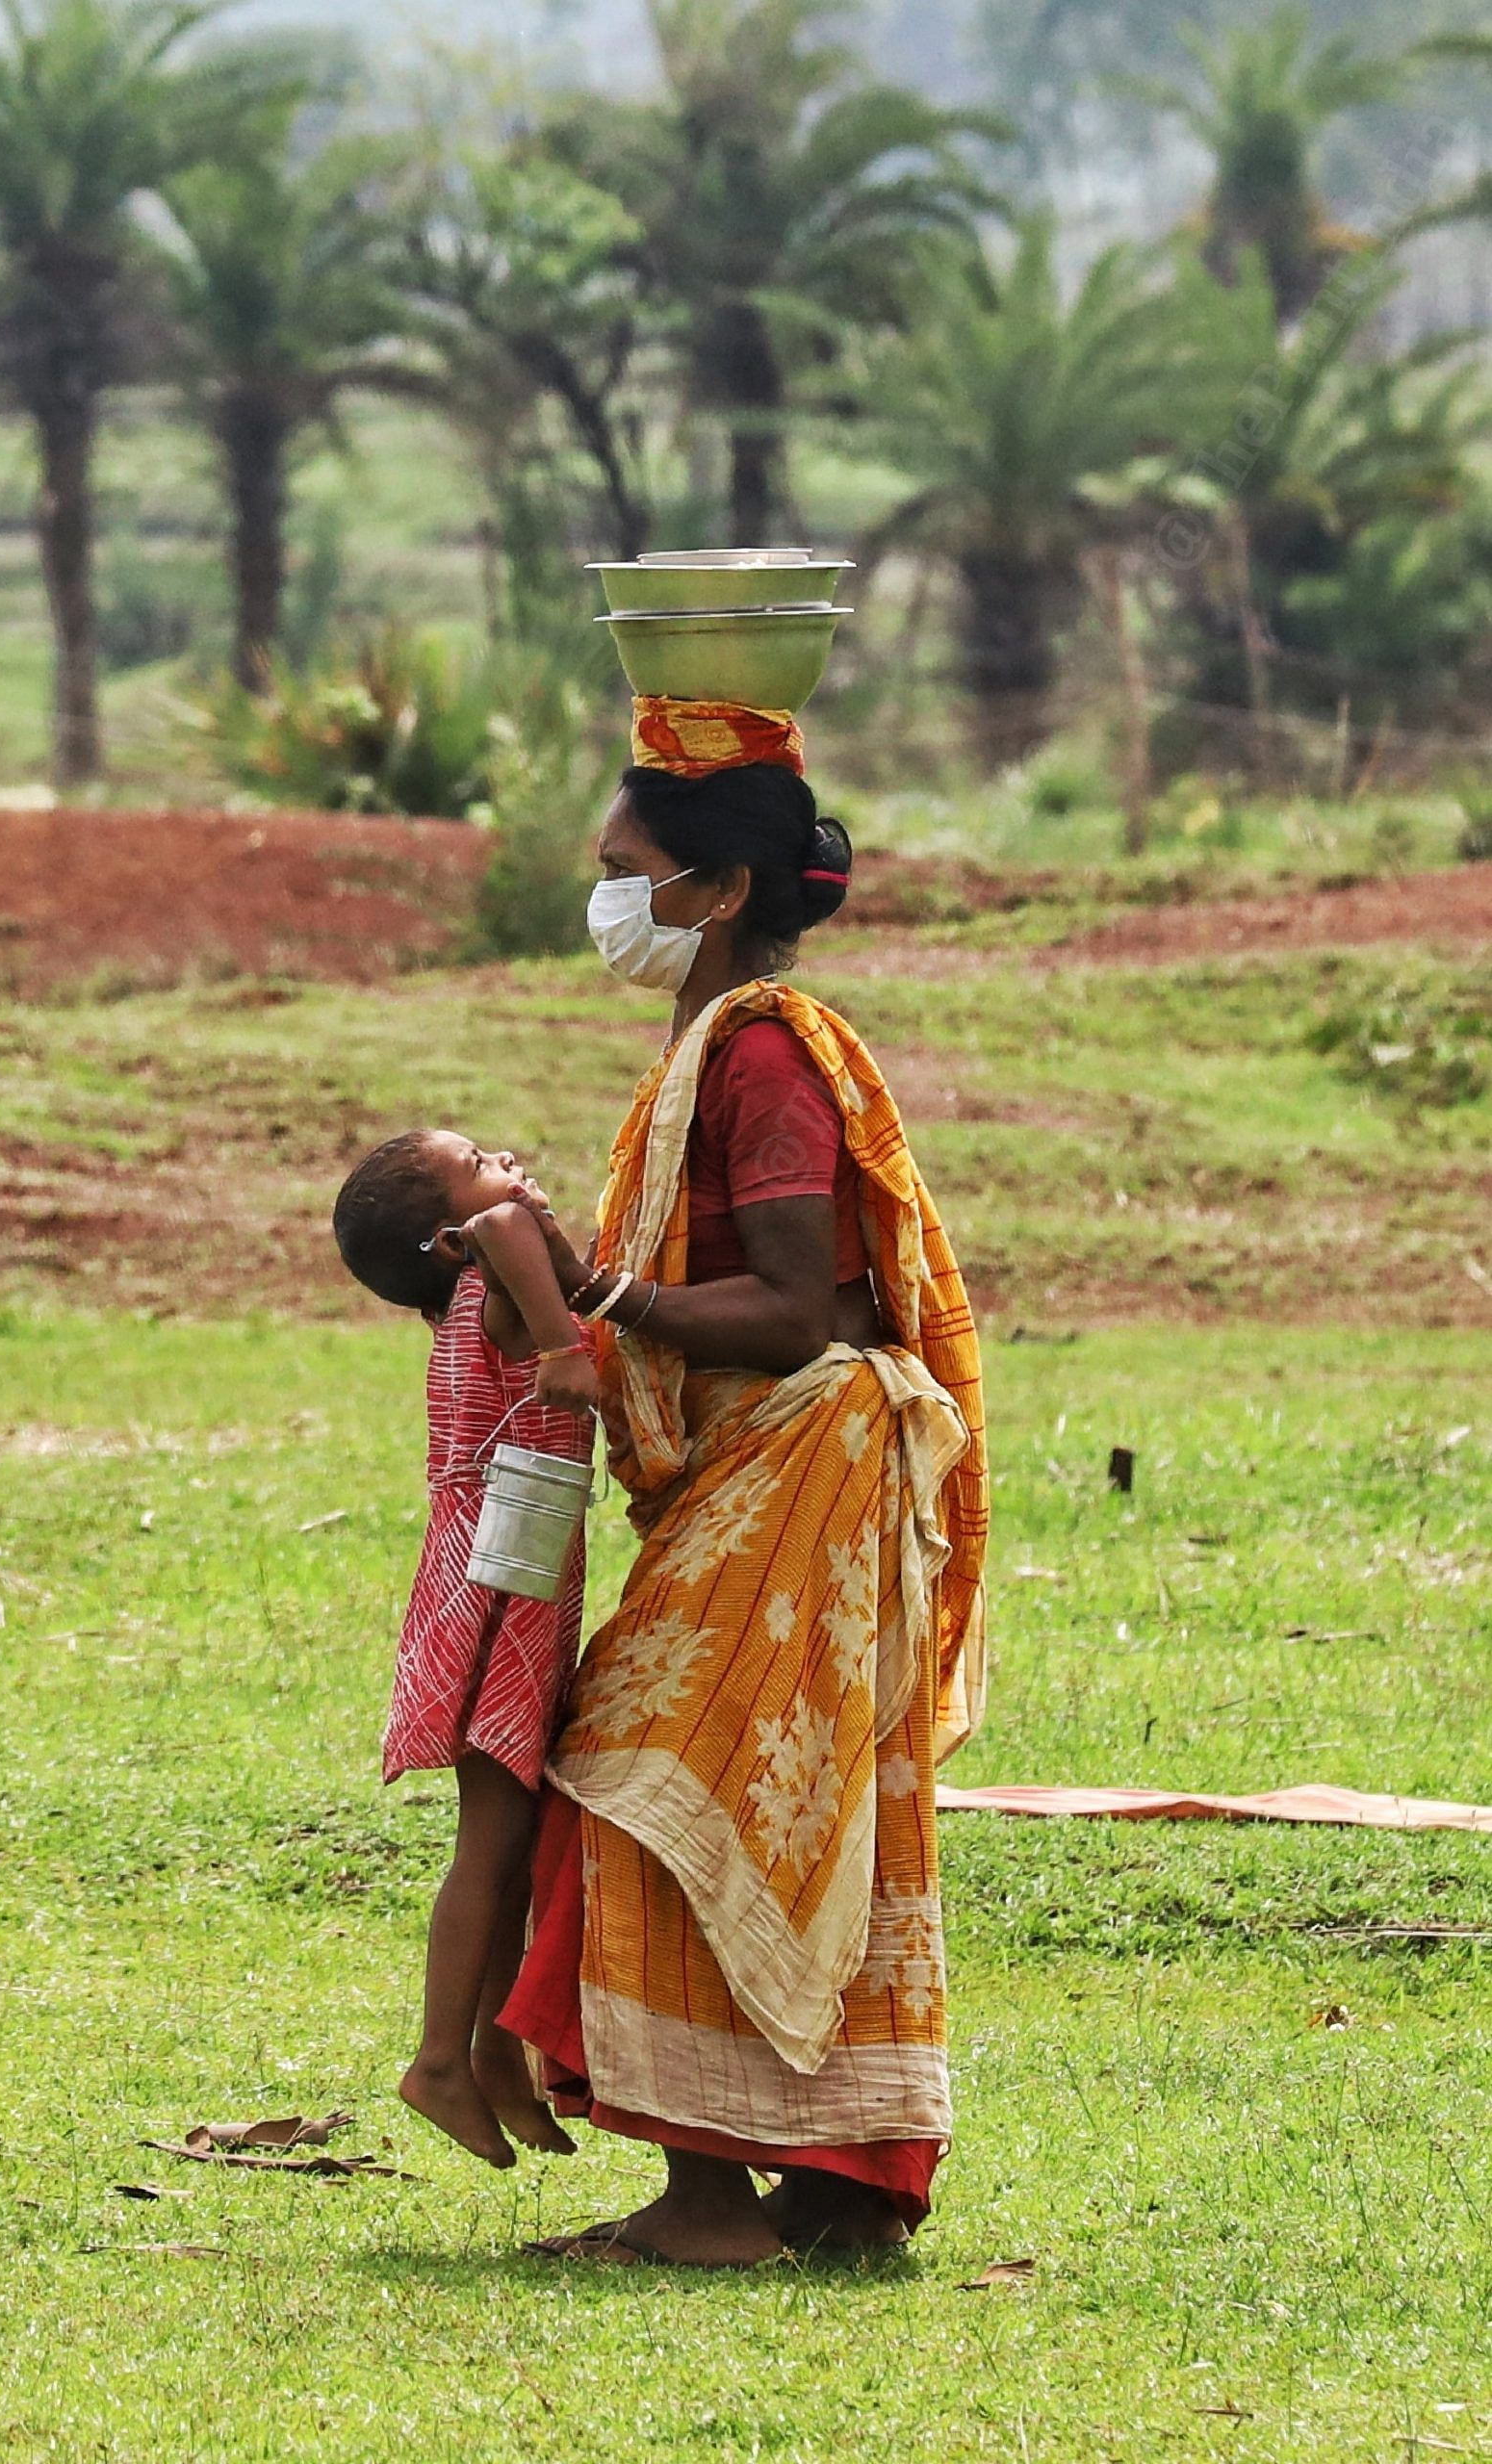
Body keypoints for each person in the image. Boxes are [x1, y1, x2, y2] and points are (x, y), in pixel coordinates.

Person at [498, 722, 990, 2268]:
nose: (605, 903)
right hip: (762, 1466)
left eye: (624, 876)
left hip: (806, 1450)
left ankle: (712, 2203)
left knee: (651, 1778)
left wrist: (602, 1294)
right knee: (796, 1805)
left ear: (715, 891)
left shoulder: (765, 1052)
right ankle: (839, 2186)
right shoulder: (711, 1042)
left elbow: (800, 1311)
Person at [332, 1127, 598, 2169]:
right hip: (503, 1586)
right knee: (489, 1842)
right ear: (449, 1240)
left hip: (505, 1574)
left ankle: (493, 2049)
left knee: (513, 1831)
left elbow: (501, 1223)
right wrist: (572, 1349)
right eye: (483, 1156)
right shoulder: (495, 1288)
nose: (516, 1165)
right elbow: (503, 1223)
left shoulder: (472, 1306)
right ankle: (441, 2055)